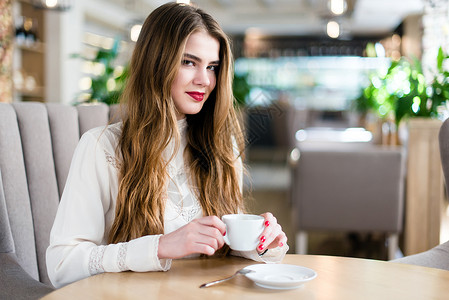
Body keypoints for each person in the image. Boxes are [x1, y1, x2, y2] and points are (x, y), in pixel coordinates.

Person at [46, 2, 288, 288]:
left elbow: (223, 246)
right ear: (156, 62)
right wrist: (159, 247)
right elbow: (62, 265)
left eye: (212, 67)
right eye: (189, 62)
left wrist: (258, 242)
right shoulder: (102, 148)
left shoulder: (222, 147)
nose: (204, 80)